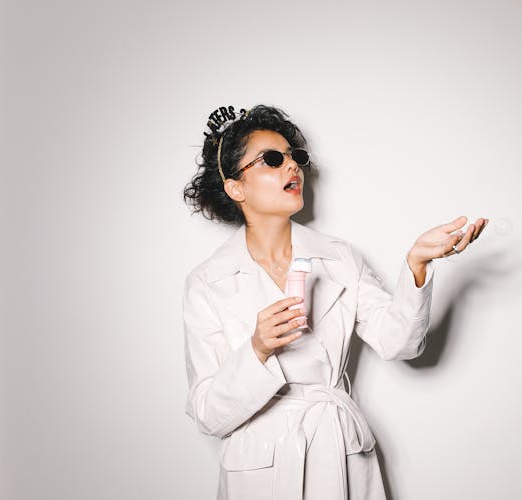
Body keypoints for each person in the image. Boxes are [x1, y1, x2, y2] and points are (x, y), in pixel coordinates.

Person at [182, 105, 487, 500]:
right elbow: (208, 414)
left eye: (297, 158)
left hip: (337, 452)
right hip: (258, 465)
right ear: (235, 187)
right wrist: (257, 349)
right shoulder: (207, 282)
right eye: (273, 159)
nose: (293, 166)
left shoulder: (340, 258)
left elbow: (400, 343)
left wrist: (417, 264)